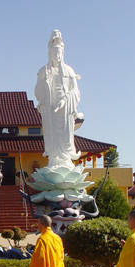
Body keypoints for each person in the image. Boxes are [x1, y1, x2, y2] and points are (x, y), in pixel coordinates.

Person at [34, 30, 82, 169]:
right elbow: (37, 91)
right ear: (50, 54)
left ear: (63, 54)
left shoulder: (69, 71)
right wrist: (44, 82)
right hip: (50, 108)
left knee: (66, 133)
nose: (57, 56)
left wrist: (66, 99)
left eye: (59, 53)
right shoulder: (44, 71)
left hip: (65, 108)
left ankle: (66, 159)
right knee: (52, 133)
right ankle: (54, 158)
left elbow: (75, 91)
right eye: (55, 53)